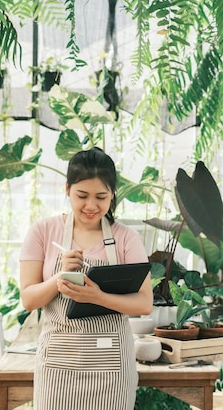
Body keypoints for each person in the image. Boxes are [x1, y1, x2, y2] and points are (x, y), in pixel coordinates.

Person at [19, 147, 153, 410]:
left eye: (101, 197)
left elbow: (144, 303)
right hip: (57, 367)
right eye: (82, 195)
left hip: (111, 368)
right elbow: (28, 299)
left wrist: (98, 297)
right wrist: (60, 277)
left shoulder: (126, 238)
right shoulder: (43, 232)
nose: (91, 206)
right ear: (67, 189)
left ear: (112, 195)